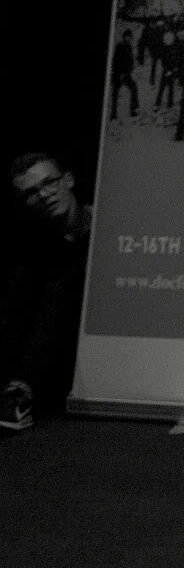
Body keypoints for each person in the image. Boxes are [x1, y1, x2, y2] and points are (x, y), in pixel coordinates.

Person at [4, 153, 92, 434]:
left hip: (110, 334)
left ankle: (21, 388)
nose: (43, 194)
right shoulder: (33, 248)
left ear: (68, 180)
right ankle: (17, 393)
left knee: (59, 285)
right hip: (62, 352)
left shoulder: (106, 226)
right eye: (31, 192)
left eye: (49, 183)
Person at [109, 24, 139, 121]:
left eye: (130, 37)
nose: (129, 38)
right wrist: (119, 74)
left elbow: (130, 62)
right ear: (124, 37)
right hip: (118, 74)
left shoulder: (129, 47)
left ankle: (133, 110)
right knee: (115, 94)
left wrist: (129, 71)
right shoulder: (119, 46)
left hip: (126, 75)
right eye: (127, 37)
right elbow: (115, 62)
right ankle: (113, 115)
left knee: (134, 88)